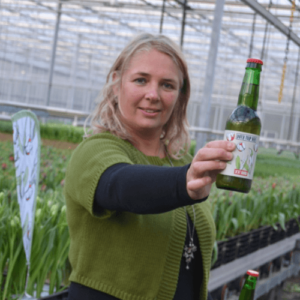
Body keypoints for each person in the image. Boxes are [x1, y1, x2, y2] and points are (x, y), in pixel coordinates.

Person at [64, 33, 235, 300]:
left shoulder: (178, 161)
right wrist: (184, 181)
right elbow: (120, 186)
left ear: (180, 96)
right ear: (116, 83)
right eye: (141, 80)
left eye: (167, 85)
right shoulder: (95, 150)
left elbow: (187, 268)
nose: (153, 95)